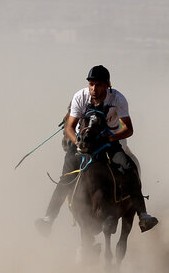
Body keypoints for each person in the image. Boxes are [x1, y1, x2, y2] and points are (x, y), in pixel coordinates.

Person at [35, 65, 158, 234]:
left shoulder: (118, 100)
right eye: (91, 84)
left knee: (129, 168)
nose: (94, 89)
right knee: (66, 177)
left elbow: (128, 129)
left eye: (98, 84)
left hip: (108, 140)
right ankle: (49, 219)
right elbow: (70, 127)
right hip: (82, 140)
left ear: (108, 86)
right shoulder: (80, 97)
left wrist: (110, 138)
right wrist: (77, 142)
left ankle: (143, 215)